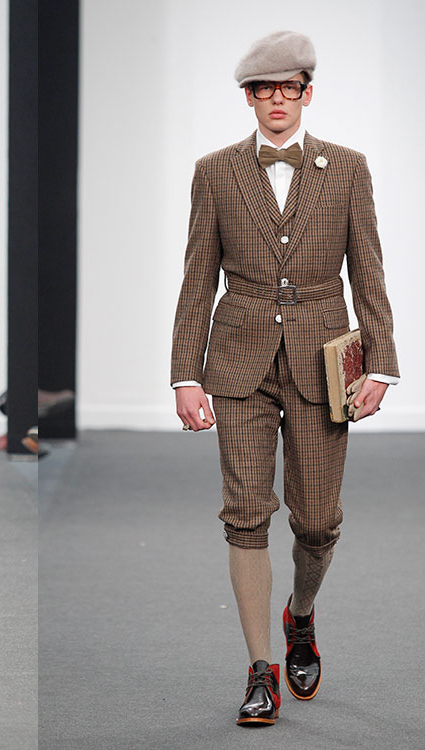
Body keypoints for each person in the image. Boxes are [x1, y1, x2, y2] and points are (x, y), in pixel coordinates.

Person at [170, 31, 399, 727]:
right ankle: (260, 671)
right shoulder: (215, 171)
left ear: (306, 93)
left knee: (318, 520)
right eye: (263, 89)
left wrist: (381, 363)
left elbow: (368, 270)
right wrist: (185, 375)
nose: (277, 100)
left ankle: (300, 613)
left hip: (324, 361)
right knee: (245, 513)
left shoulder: (348, 169)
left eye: (288, 88)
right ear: (248, 97)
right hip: (238, 360)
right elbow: (196, 277)